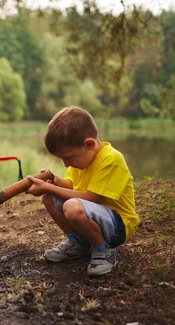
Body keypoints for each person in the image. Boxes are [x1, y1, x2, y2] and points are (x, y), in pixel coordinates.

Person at [26, 106, 139, 276]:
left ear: (89, 144)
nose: (66, 164)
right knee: (49, 198)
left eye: (68, 157)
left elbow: (90, 197)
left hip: (118, 226)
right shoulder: (83, 160)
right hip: (93, 216)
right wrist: (54, 180)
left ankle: (104, 251)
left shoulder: (111, 159)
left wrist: (48, 187)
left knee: (72, 206)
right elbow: (71, 185)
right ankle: (79, 243)